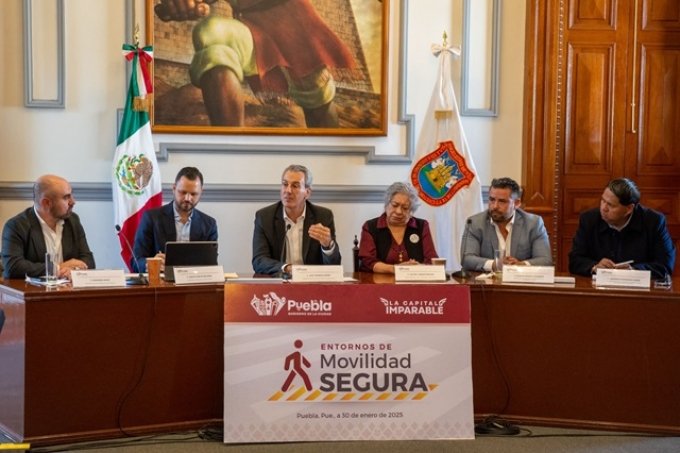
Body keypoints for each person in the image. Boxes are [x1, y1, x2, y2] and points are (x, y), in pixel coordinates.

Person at [154, 0, 356, 127]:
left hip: (296, 29)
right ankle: (230, 151)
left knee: (318, 104)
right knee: (212, 32)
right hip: (253, 31)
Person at [569, 178, 675, 279]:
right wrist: (594, 267)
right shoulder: (589, 219)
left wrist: (634, 271)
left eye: (611, 205)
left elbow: (665, 266)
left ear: (629, 208)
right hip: (597, 287)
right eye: (603, 200)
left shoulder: (653, 222)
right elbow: (575, 260)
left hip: (638, 288)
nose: (603, 208)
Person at [252, 164, 340, 275]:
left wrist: (328, 245)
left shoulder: (323, 217)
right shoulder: (265, 217)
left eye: (295, 186)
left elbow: (334, 265)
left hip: (311, 282)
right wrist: (286, 268)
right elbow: (259, 260)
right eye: (285, 184)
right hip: (279, 281)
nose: (288, 190)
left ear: (307, 192)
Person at [2, 174, 95, 279]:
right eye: (66, 197)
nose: (73, 202)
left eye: (71, 195)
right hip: (31, 289)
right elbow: (13, 267)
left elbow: (88, 260)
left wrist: (73, 269)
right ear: (46, 203)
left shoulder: (73, 221)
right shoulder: (16, 226)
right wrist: (57, 268)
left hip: (67, 287)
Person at [132, 167, 218, 272]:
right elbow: (135, 261)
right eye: (183, 192)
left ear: (201, 192)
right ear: (173, 189)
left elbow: (212, 265)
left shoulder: (209, 225)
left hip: (195, 280)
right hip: (161, 280)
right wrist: (150, 264)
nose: (187, 198)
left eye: (193, 194)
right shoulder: (151, 218)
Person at [461, 177, 552, 272]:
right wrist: (496, 264)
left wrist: (521, 265)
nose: (495, 206)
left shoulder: (533, 223)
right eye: (492, 199)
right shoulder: (475, 223)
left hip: (520, 279)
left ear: (516, 203)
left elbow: (545, 260)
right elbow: (467, 259)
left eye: (502, 201)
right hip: (486, 280)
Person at [358, 182, 438, 273]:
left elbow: (431, 260)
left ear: (411, 210)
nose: (399, 211)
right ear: (386, 204)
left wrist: (418, 268)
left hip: (414, 280)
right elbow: (368, 262)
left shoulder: (422, 226)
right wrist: (397, 269)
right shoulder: (371, 227)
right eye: (395, 205)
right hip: (378, 281)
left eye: (405, 208)